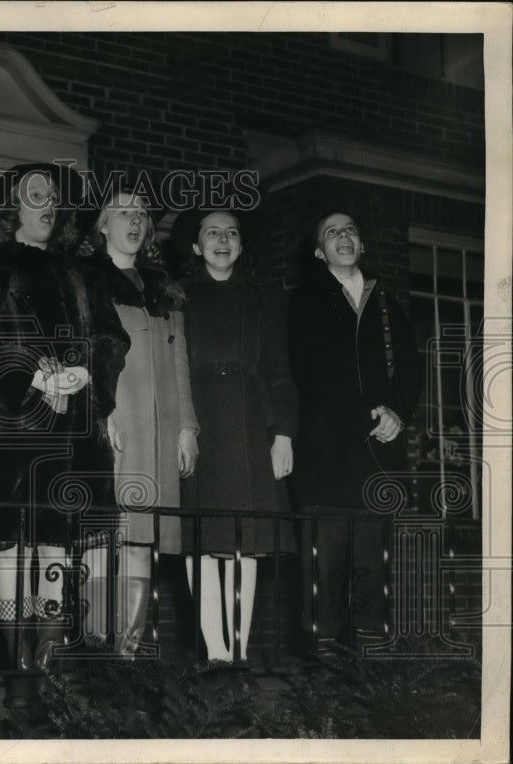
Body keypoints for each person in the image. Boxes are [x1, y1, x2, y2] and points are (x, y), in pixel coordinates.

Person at [0, 164, 129, 707]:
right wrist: (29, 374)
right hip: (12, 430)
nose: (47, 203)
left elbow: (110, 336)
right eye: (35, 195)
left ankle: (49, 670)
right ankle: (20, 678)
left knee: (54, 546)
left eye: (52, 195)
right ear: (13, 207)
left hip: (69, 432)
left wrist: (83, 373)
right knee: (12, 547)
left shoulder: (78, 272)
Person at [288, 210, 422, 652]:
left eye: (350, 231)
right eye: (331, 232)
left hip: (379, 462)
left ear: (361, 246)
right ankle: (322, 695)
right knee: (324, 584)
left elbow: (409, 367)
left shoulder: (385, 300)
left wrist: (397, 414)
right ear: (318, 251)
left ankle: (368, 694)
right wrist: (371, 417)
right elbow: (314, 375)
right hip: (326, 462)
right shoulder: (306, 301)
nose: (342, 237)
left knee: (372, 582)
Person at [77, 188, 199, 657]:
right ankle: (94, 652)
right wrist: (97, 412)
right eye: (122, 211)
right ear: (102, 225)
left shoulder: (163, 287)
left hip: (161, 430)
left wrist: (187, 427)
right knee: (106, 535)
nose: (134, 219)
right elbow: (79, 350)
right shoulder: (85, 279)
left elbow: (181, 363)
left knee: (144, 539)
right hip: (115, 423)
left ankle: (125, 656)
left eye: (142, 213)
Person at [177, 208, 297, 662]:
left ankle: (240, 652)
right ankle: (216, 652)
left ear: (243, 246)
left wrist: (284, 433)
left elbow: (281, 372)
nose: (222, 240)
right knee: (201, 544)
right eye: (212, 232)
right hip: (200, 422)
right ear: (196, 245)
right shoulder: (178, 295)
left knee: (247, 544)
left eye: (231, 233)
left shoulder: (263, 297)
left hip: (251, 426)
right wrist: (180, 429)